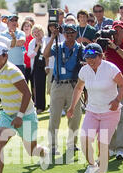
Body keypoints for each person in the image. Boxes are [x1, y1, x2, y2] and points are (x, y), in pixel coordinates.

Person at [0, 42, 49, 173]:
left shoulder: (13, 71)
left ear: (5, 56)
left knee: (32, 150)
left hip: (26, 115)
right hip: (7, 115)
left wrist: (20, 116)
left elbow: (27, 94)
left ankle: (44, 152)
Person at [67, 43, 123, 173]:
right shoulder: (84, 70)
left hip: (110, 112)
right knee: (84, 139)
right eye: (87, 58)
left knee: (103, 143)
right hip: (92, 111)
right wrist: (71, 107)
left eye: (93, 57)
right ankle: (92, 165)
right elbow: (78, 88)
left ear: (101, 56)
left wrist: (117, 99)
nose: (90, 60)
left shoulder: (110, 69)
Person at [43, 24, 83, 156]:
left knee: (75, 117)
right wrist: (53, 36)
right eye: (67, 32)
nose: (69, 35)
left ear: (76, 34)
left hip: (74, 85)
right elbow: (45, 54)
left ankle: (72, 144)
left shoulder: (81, 48)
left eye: (72, 32)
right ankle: (53, 146)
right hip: (58, 84)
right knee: (54, 116)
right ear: (63, 34)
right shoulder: (58, 46)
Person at [105, 20, 123, 161]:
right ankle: (111, 147)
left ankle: (121, 149)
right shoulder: (106, 46)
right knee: (109, 118)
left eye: (120, 30)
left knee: (122, 118)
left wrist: (116, 48)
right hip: (109, 87)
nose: (117, 32)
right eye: (115, 30)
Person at [27, 24, 47, 113]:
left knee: (50, 87)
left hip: (47, 65)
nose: (36, 33)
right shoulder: (32, 42)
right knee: (38, 87)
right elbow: (30, 55)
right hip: (37, 67)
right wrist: (38, 46)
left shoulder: (46, 40)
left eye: (38, 31)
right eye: (34, 32)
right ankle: (40, 106)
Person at [21, 20, 33, 86]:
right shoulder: (20, 38)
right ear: (22, 27)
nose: (26, 27)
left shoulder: (33, 39)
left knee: (34, 86)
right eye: (25, 26)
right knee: (24, 86)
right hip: (23, 66)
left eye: (28, 26)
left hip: (32, 66)